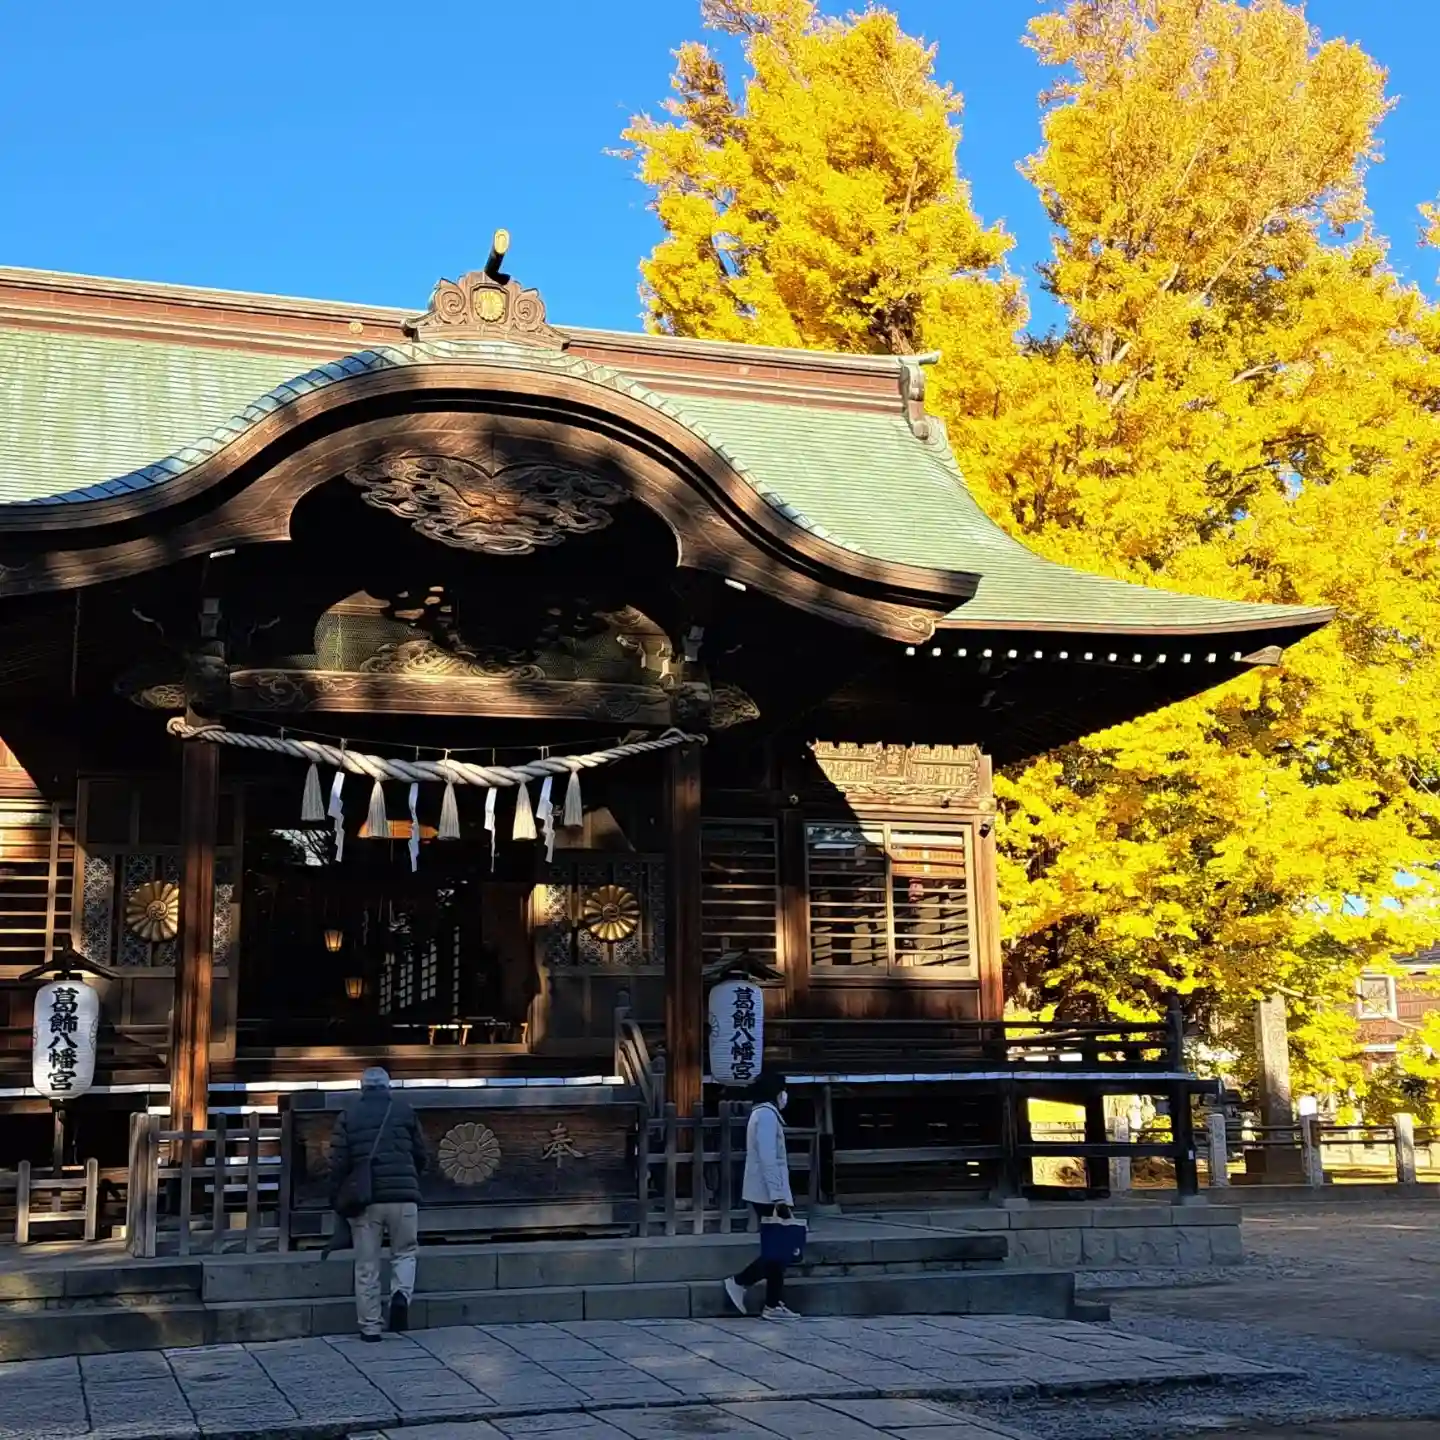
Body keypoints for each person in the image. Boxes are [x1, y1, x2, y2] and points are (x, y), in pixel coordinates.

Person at [328, 1066, 430, 1341]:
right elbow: (421, 1154)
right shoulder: (405, 1111)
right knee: (405, 1252)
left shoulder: (349, 1114)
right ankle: (400, 1295)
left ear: (362, 1088)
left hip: (366, 1199)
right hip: (404, 1197)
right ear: (388, 1087)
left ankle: (371, 1327)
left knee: (367, 1263)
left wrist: (337, 1194)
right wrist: (411, 1178)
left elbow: (338, 1161)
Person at [723, 1070, 800, 1319]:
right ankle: (743, 1283)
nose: (785, 1095)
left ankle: (772, 1302)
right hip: (768, 1194)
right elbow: (768, 1158)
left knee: (778, 1248)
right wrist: (779, 1197)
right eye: (783, 1089)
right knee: (779, 1249)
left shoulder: (764, 1114)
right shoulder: (766, 1116)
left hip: (765, 1192)